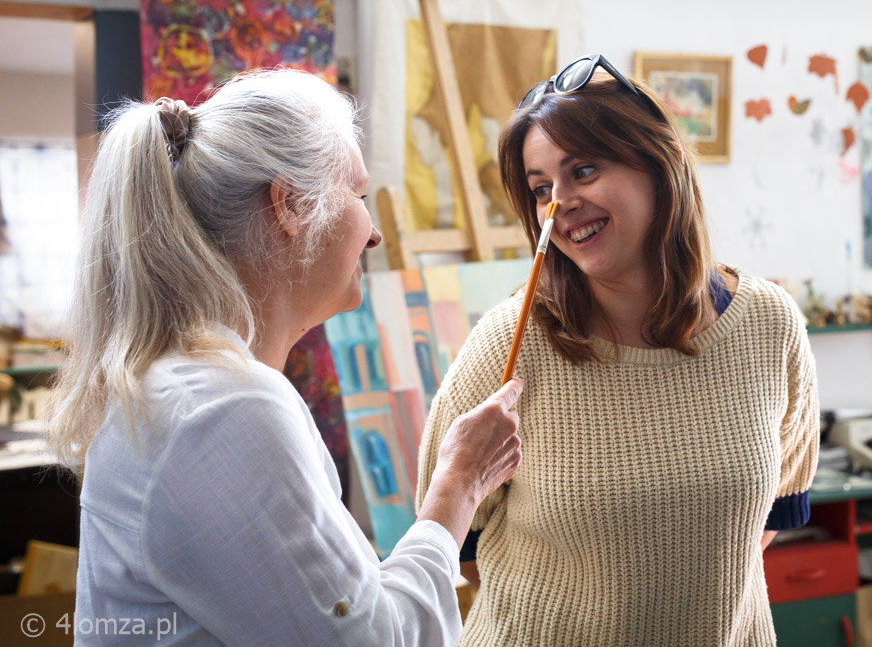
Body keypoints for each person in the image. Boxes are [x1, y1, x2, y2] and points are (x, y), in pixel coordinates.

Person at [46, 69, 523, 646]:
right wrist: (457, 487)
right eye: (359, 195)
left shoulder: (185, 385)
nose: (374, 235)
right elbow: (369, 641)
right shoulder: (223, 410)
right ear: (290, 205)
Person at [415, 55, 820, 646]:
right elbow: (453, 541)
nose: (561, 202)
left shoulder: (769, 323)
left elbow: (774, 513)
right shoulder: (511, 342)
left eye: (583, 170)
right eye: (540, 189)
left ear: (665, 165)